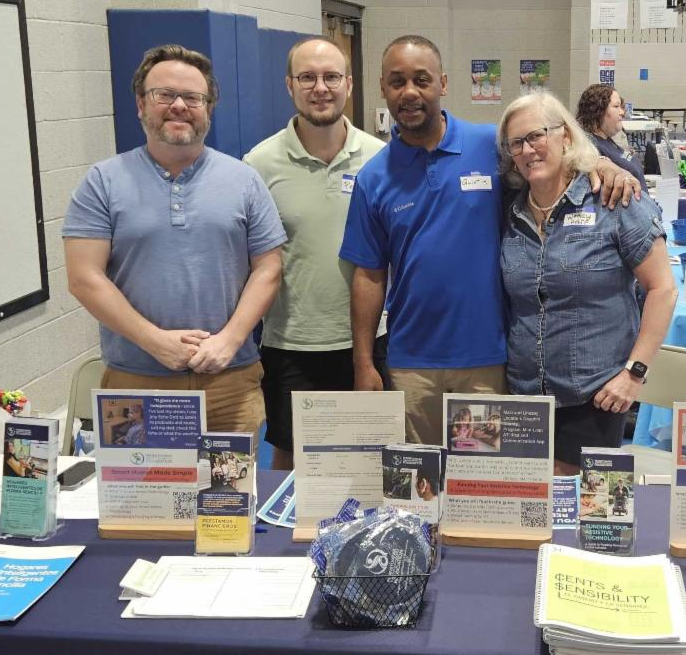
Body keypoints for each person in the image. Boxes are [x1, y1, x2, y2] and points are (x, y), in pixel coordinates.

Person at [340, 35, 640, 445]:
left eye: (421, 80)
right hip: (411, 363)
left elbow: (547, 157)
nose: (409, 92)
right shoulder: (373, 178)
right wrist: (363, 363)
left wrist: (602, 162)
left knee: (480, 484)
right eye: (397, 82)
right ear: (382, 89)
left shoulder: (489, 147)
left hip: (488, 359)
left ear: (443, 83)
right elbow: (368, 275)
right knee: (420, 489)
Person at [63, 44, 286, 434]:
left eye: (193, 97)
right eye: (164, 94)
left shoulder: (244, 180)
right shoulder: (103, 181)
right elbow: (84, 278)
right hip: (136, 385)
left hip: (229, 382)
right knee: (139, 495)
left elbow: (268, 268)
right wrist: (155, 341)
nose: (179, 105)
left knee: (231, 495)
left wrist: (230, 341)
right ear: (140, 105)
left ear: (209, 109)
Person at [497, 91, 677, 475]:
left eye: (537, 136)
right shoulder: (509, 212)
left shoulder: (615, 200)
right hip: (523, 398)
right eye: (517, 143)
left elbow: (663, 289)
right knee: (529, 510)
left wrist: (634, 374)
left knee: (577, 518)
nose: (528, 150)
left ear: (565, 135)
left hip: (593, 397)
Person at [243, 37, 388, 470]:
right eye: (307, 77)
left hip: (372, 341)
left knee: (372, 457)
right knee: (290, 456)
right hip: (291, 344)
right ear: (290, 85)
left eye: (330, 77)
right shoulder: (258, 164)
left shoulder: (382, 159)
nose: (320, 87)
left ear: (349, 84)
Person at [577, 84, 647, 191]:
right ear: (598, 111)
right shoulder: (591, 146)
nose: (622, 112)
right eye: (616, 106)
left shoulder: (607, 139)